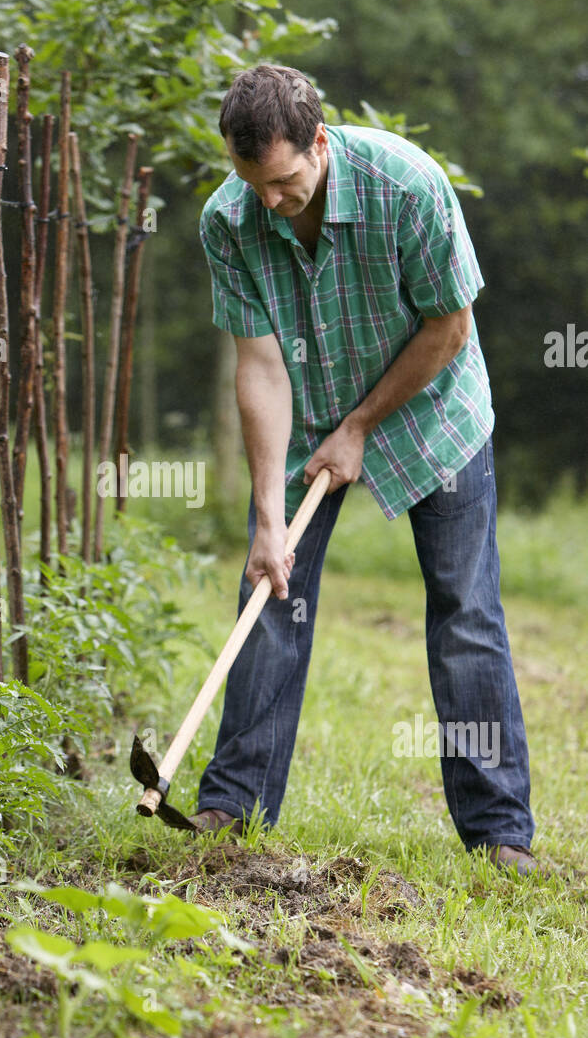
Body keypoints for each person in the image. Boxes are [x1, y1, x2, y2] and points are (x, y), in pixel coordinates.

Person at [193, 64, 539, 875]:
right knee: (270, 591)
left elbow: (449, 327)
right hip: (305, 412)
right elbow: (261, 368)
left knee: (463, 609)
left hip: (430, 409)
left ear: (320, 143)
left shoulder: (408, 188)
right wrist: (269, 519)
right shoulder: (228, 219)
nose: (269, 202)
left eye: (284, 183)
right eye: (254, 186)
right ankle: (232, 803)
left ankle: (499, 831)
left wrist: (359, 426)